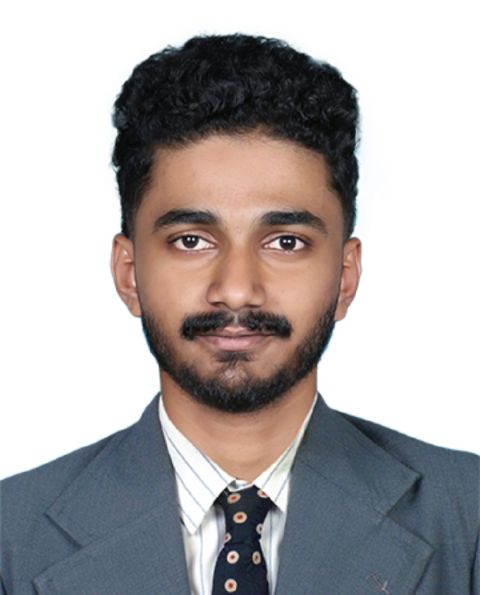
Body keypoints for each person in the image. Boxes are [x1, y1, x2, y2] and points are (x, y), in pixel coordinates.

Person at [1, 33, 478, 595]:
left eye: (285, 243)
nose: (236, 291)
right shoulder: (12, 539)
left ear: (345, 277)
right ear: (128, 273)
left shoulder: (467, 519)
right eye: (191, 240)